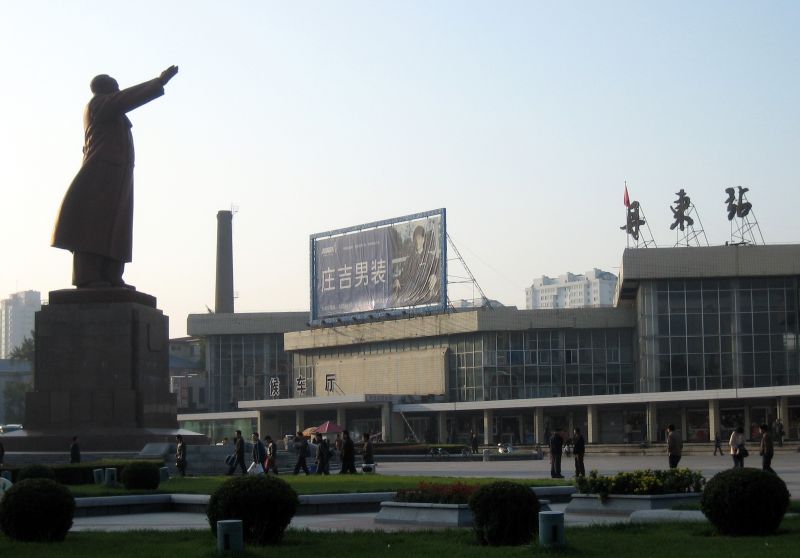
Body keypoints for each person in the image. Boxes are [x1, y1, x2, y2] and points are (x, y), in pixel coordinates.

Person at [52, 65, 179, 288]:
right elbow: (125, 99)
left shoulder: (111, 112)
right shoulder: (98, 104)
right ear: (106, 91)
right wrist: (158, 82)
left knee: (116, 228)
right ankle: (88, 277)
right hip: (101, 175)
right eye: (116, 89)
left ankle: (111, 275)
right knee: (93, 226)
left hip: (117, 176)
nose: (119, 92)